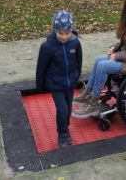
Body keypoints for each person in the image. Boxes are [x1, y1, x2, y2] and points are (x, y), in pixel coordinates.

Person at [35, 10, 83, 148]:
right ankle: (62, 135)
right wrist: (41, 86)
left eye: (67, 33)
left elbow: (79, 62)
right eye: (60, 33)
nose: (64, 36)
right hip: (56, 84)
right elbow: (41, 68)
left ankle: (65, 127)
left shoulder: (75, 43)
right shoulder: (47, 47)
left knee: (67, 110)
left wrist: (75, 78)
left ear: (71, 31)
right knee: (62, 109)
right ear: (55, 30)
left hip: (70, 84)